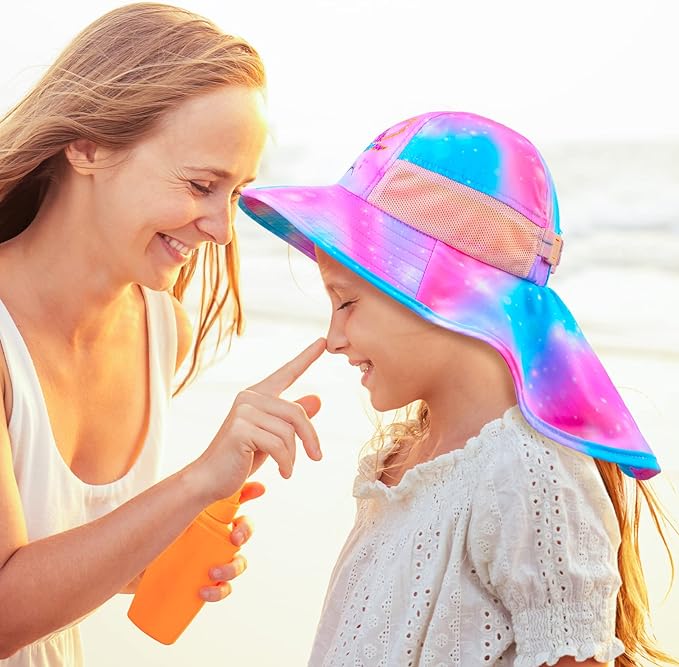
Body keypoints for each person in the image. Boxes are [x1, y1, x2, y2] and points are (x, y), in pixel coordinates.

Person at [238, 111, 677, 666]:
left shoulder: (529, 474)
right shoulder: (402, 462)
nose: (333, 338)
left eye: (347, 301)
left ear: (442, 291)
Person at [0, 4, 326, 665]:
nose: (221, 227)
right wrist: (195, 483)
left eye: (234, 194)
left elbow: (60, 545)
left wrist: (160, 553)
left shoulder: (160, 326)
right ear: (87, 145)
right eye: (202, 184)